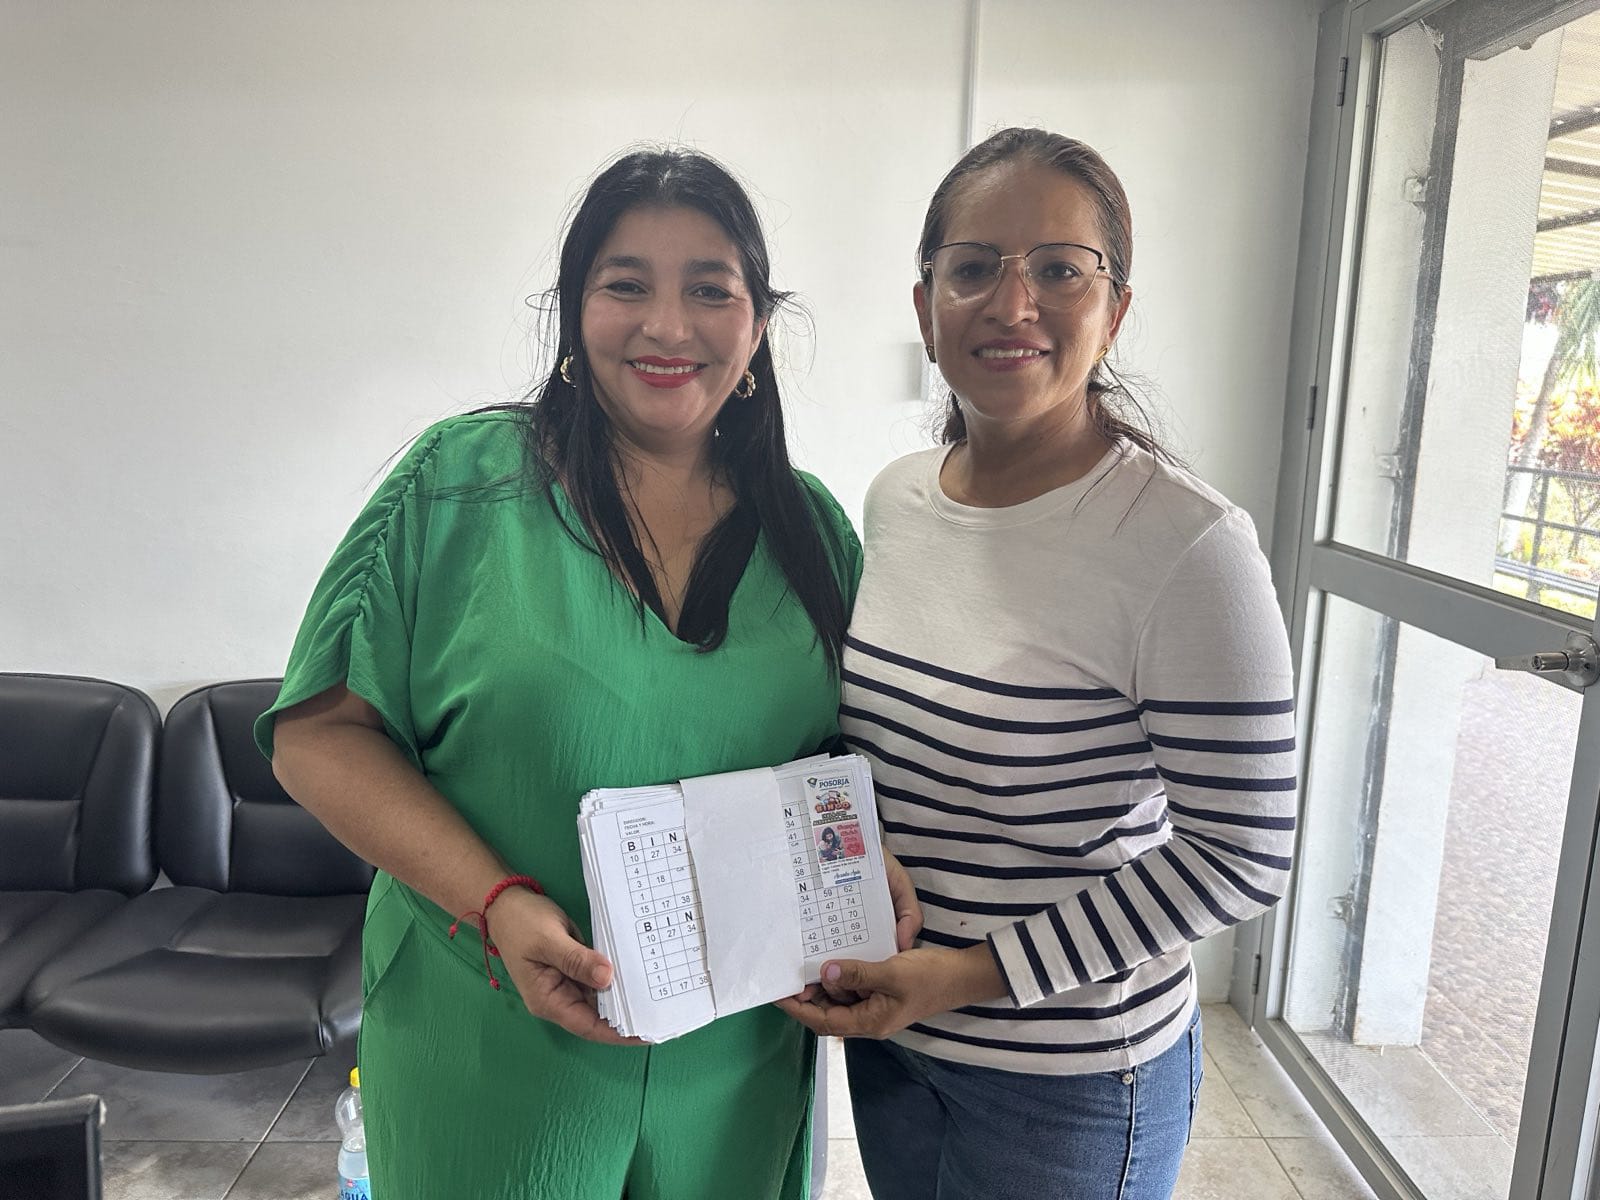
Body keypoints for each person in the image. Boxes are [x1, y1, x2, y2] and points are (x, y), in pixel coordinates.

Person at [257, 148, 900, 1200]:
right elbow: (318, 736)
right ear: (573, 312)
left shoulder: (813, 532)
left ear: (758, 327)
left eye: (710, 290)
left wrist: (868, 869)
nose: (667, 326)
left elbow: (839, 762)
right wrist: (497, 904)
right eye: (625, 285)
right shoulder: (459, 487)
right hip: (490, 1033)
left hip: (736, 1060)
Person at [778, 128, 1298, 1199]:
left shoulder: (1187, 545)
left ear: (1114, 311)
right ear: (926, 308)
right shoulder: (897, 498)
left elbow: (1242, 854)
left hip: (1068, 1082)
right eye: (973, 267)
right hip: (895, 1042)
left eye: (1060, 269)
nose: (1012, 304)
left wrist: (967, 976)